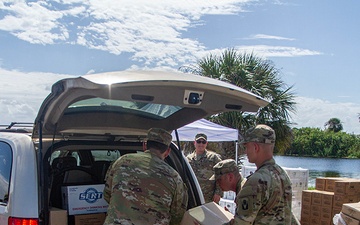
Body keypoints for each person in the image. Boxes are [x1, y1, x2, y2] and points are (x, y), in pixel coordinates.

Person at [103, 128, 188, 225]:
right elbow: (177, 215)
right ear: (168, 151)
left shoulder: (121, 161)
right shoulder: (174, 177)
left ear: (144, 145)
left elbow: (107, 194)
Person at [224, 124, 293, 225]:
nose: (246, 151)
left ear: (256, 147)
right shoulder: (282, 174)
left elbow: (241, 223)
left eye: (247, 147)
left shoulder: (257, 181)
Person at [186, 133, 223, 203]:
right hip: (194, 197)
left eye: (203, 142)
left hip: (209, 198)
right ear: (194, 143)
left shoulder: (213, 158)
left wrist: (218, 192)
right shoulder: (188, 159)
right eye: (198, 142)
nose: (201, 144)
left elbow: (221, 174)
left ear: (206, 143)